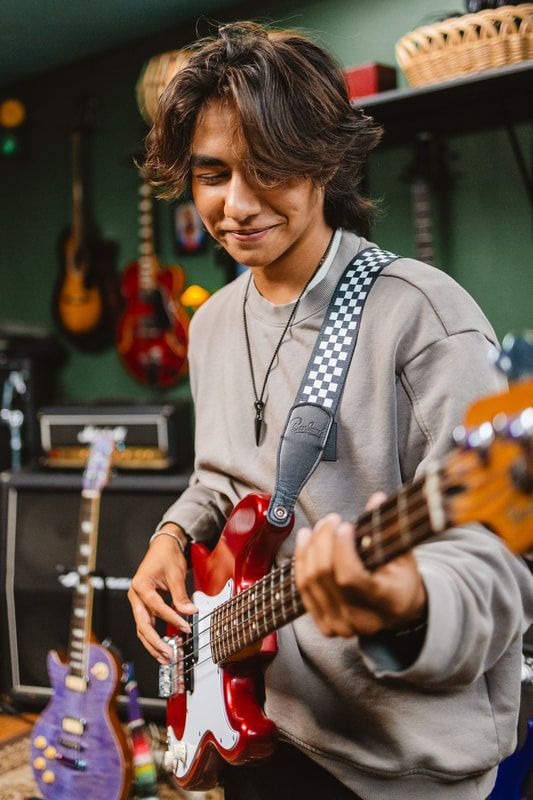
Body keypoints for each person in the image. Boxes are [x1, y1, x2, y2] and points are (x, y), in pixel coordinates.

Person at [128, 21, 533, 800]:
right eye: (212, 175)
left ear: (325, 162)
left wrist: (403, 603)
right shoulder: (210, 321)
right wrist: (173, 534)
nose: (236, 206)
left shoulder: (422, 313)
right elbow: (220, 473)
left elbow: (499, 565)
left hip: (393, 765)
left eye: (267, 171)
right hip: (255, 720)